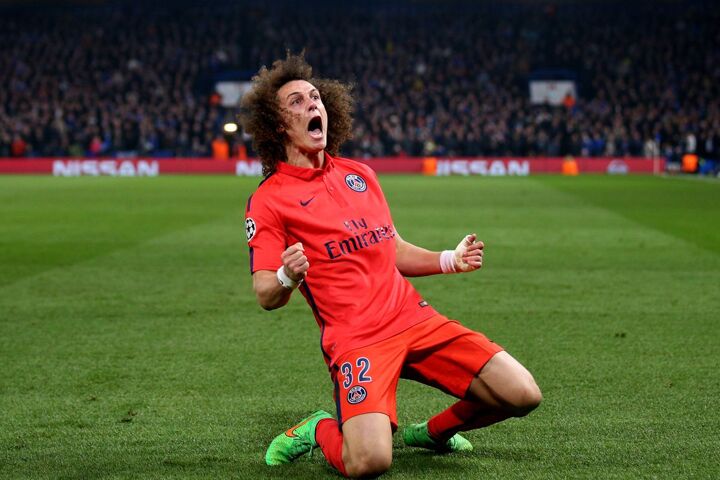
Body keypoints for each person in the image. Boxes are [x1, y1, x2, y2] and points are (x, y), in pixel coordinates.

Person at [241, 53, 541, 478]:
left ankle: (432, 434)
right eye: (297, 102)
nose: (312, 105)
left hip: (414, 320)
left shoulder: (360, 174)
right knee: (369, 462)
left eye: (315, 97)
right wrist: (288, 275)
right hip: (358, 340)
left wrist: (448, 260)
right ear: (277, 126)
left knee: (523, 393)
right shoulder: (269, 200)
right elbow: (265, 293)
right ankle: (317, 429)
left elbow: (391, 249)